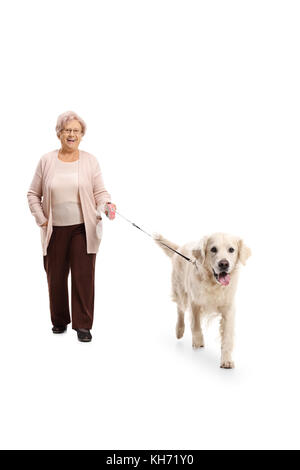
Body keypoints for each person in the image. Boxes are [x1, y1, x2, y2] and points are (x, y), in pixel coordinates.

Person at [27, 110, 116, 342]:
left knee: (83, 276)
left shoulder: (90, 160)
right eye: (67, 130)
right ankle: (59, 320)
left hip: (82, 228)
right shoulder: (46, 160)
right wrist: (43, 220)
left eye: (76, 131)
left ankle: (83, 325)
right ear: (59, 133)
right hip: (54, 228)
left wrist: (106, 205)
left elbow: (100, 192)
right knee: (55, 277)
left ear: (82, 135)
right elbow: (32, 194)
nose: (72, 135)